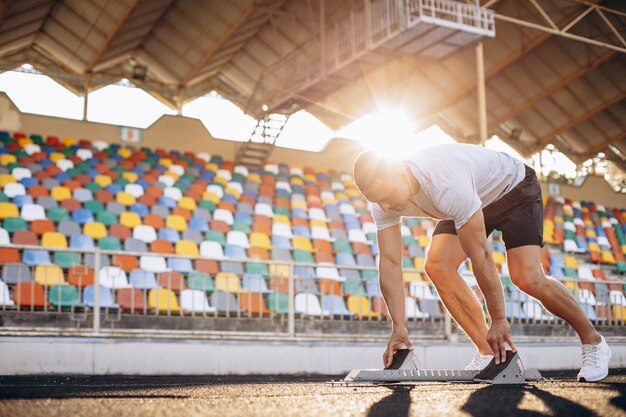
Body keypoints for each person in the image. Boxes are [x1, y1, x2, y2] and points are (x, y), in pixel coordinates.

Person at [353, 143, 612, 382]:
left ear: (400, 173)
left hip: (514, 188)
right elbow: (389, 262)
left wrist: (498, 319)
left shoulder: (445, 184)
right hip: (473, 195)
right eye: (377, 201)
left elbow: (481, 255)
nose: (385, 206)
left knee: (527, 277)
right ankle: (487, 352)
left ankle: (594, 342)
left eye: (386, 195)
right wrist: (398, 327)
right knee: (437, 266)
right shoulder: (384, 206)